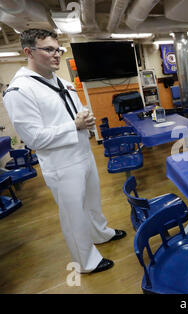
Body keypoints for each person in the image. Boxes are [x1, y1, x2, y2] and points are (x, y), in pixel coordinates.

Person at [3, 29, 126, 274]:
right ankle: (86, 261)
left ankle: (100, 234)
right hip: (61, 163)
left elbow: (77, 110)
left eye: (57, 49)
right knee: (73, 214)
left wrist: (85, 118)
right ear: (29, 52)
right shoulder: (20, 90)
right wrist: (74, 125)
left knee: (92, 201)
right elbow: (33, 138)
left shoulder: (60, 81)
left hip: (83, 152)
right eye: (48, 49)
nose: (56, 55)